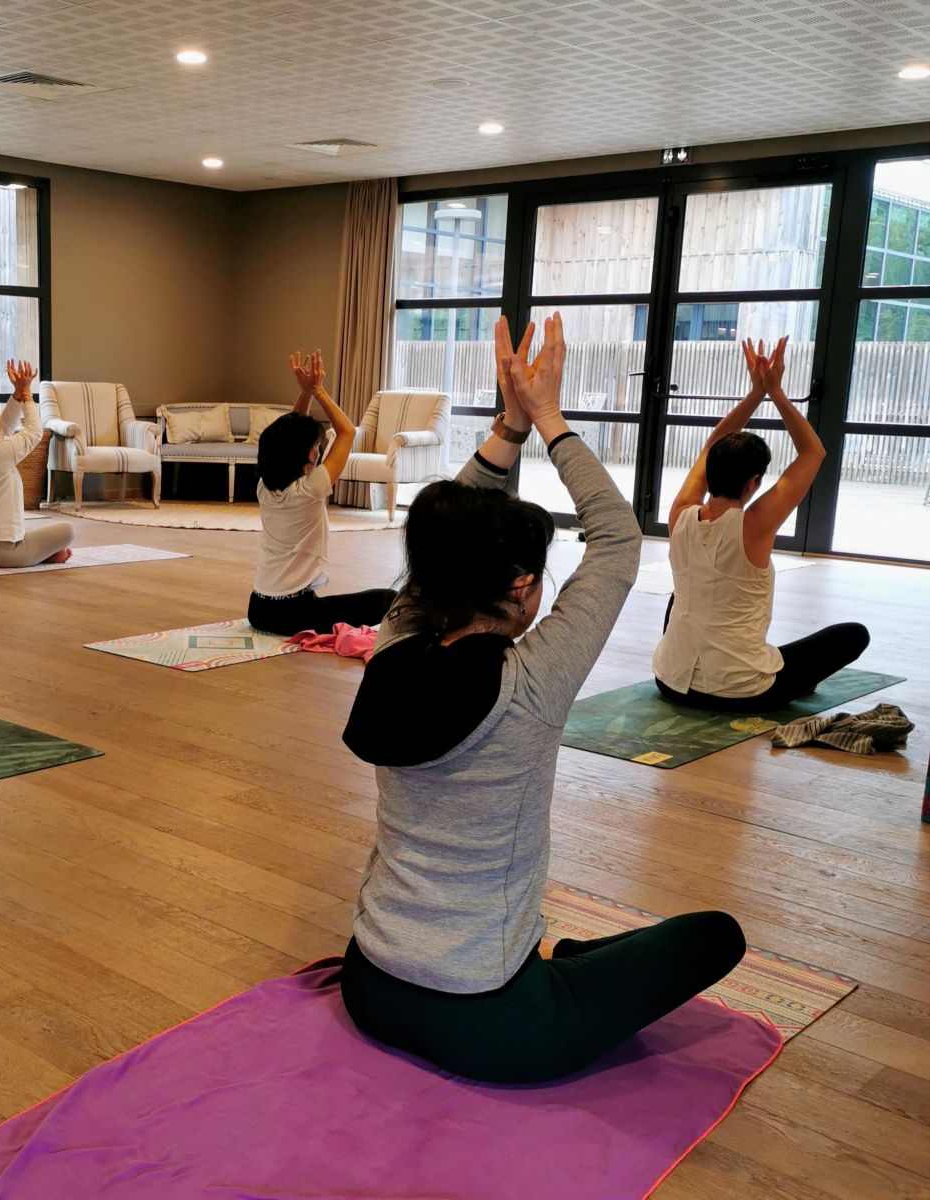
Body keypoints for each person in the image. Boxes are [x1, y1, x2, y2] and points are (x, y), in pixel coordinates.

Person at [338, 313, 745, 1084]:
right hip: (492, 1023)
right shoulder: (530, 681)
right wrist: (548, 417)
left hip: (371, 986)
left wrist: (507, 428)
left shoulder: (392, 646)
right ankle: (570, 965)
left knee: (602, 957)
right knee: (712, 935)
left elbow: (440, 542)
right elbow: (619, 540)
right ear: (523, 587)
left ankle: (570, 960)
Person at [653, 337, 869, 710]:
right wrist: (776, 393)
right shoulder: (754, 524)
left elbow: (711, 447)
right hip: (739, 693)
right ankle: (773, 679)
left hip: (669, 682)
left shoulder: (681, 514)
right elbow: (813, 452)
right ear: (754, 482)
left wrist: (755, 394)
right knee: (853, 635)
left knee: (685, 595)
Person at [247, 350, 396, 636]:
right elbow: (347, 432)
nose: (318, 450)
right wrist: (317, 390)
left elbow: (288, 435)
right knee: (388, 600)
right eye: (315, 446)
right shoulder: (311, 488)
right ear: (305, 459)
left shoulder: (264, 487)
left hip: (258, 610)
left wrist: (304, 393)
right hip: (291, 614)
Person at [0, 359, 76, 568]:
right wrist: (27, 394)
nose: (0, 424)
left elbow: (3, 430)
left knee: (31, 537)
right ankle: (38, 555)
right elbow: (34, 432)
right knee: (68, 530)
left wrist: (17, 394)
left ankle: (39, 554)